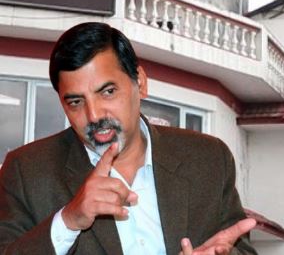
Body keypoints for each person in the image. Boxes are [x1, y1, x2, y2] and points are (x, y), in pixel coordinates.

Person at [0, 22, 256, 255]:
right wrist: (68, 221)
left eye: (108, 92)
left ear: (140, 83)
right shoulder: (27, 172)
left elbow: (239, 248)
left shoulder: (208, 158)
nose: (94, 115)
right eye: (76, 102)